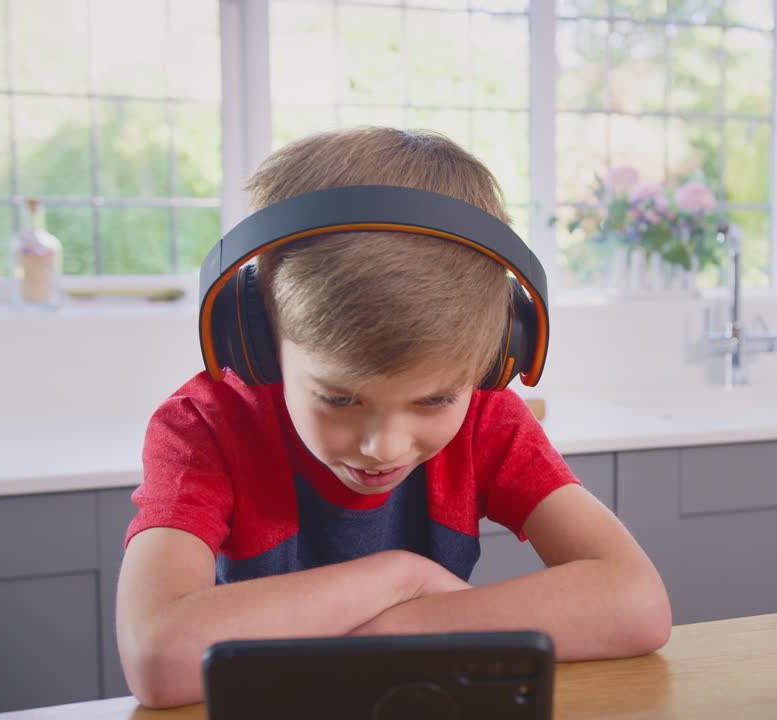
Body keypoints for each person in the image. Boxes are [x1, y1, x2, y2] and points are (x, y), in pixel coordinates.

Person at [115, 126, 672, 708]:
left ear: (494, 357)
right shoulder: (202, 426)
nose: (385, 446)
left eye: (433, 400)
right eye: (339, 398)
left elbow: (637, 604)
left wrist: (380, 632)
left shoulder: (488, 418)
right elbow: (158, 656)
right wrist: (401, 577)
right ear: (257, 337)